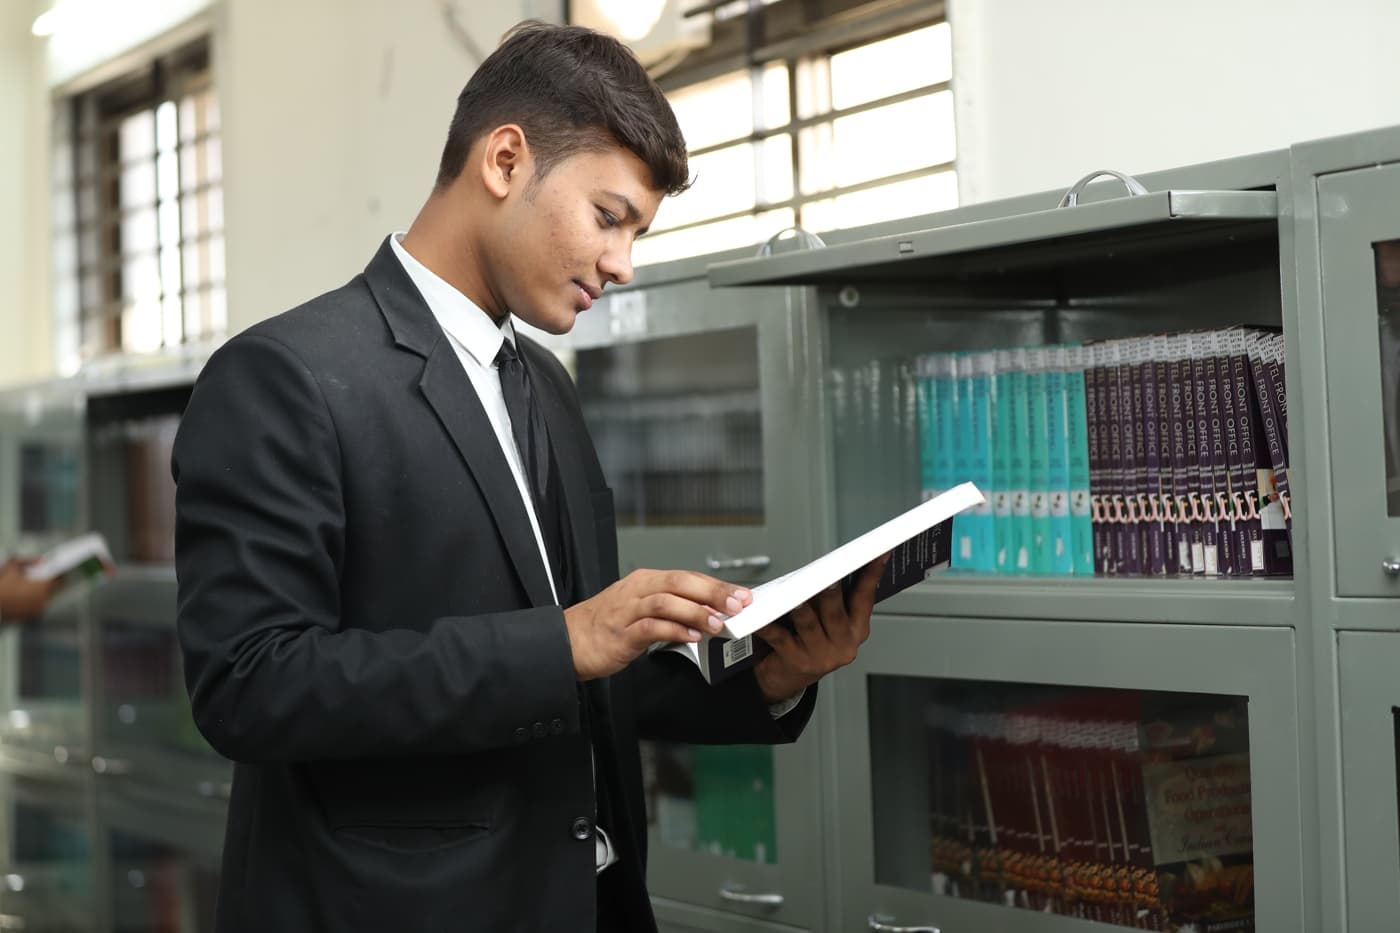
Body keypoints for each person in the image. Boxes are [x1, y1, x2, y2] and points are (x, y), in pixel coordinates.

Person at [172, 20, 885, 933]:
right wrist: (563, 641)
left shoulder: (542, 383)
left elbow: (582, 671)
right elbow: (250, 685)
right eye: (609, 216)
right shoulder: (283, 377)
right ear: (505, 161)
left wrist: (767, 676)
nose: (623, 263)